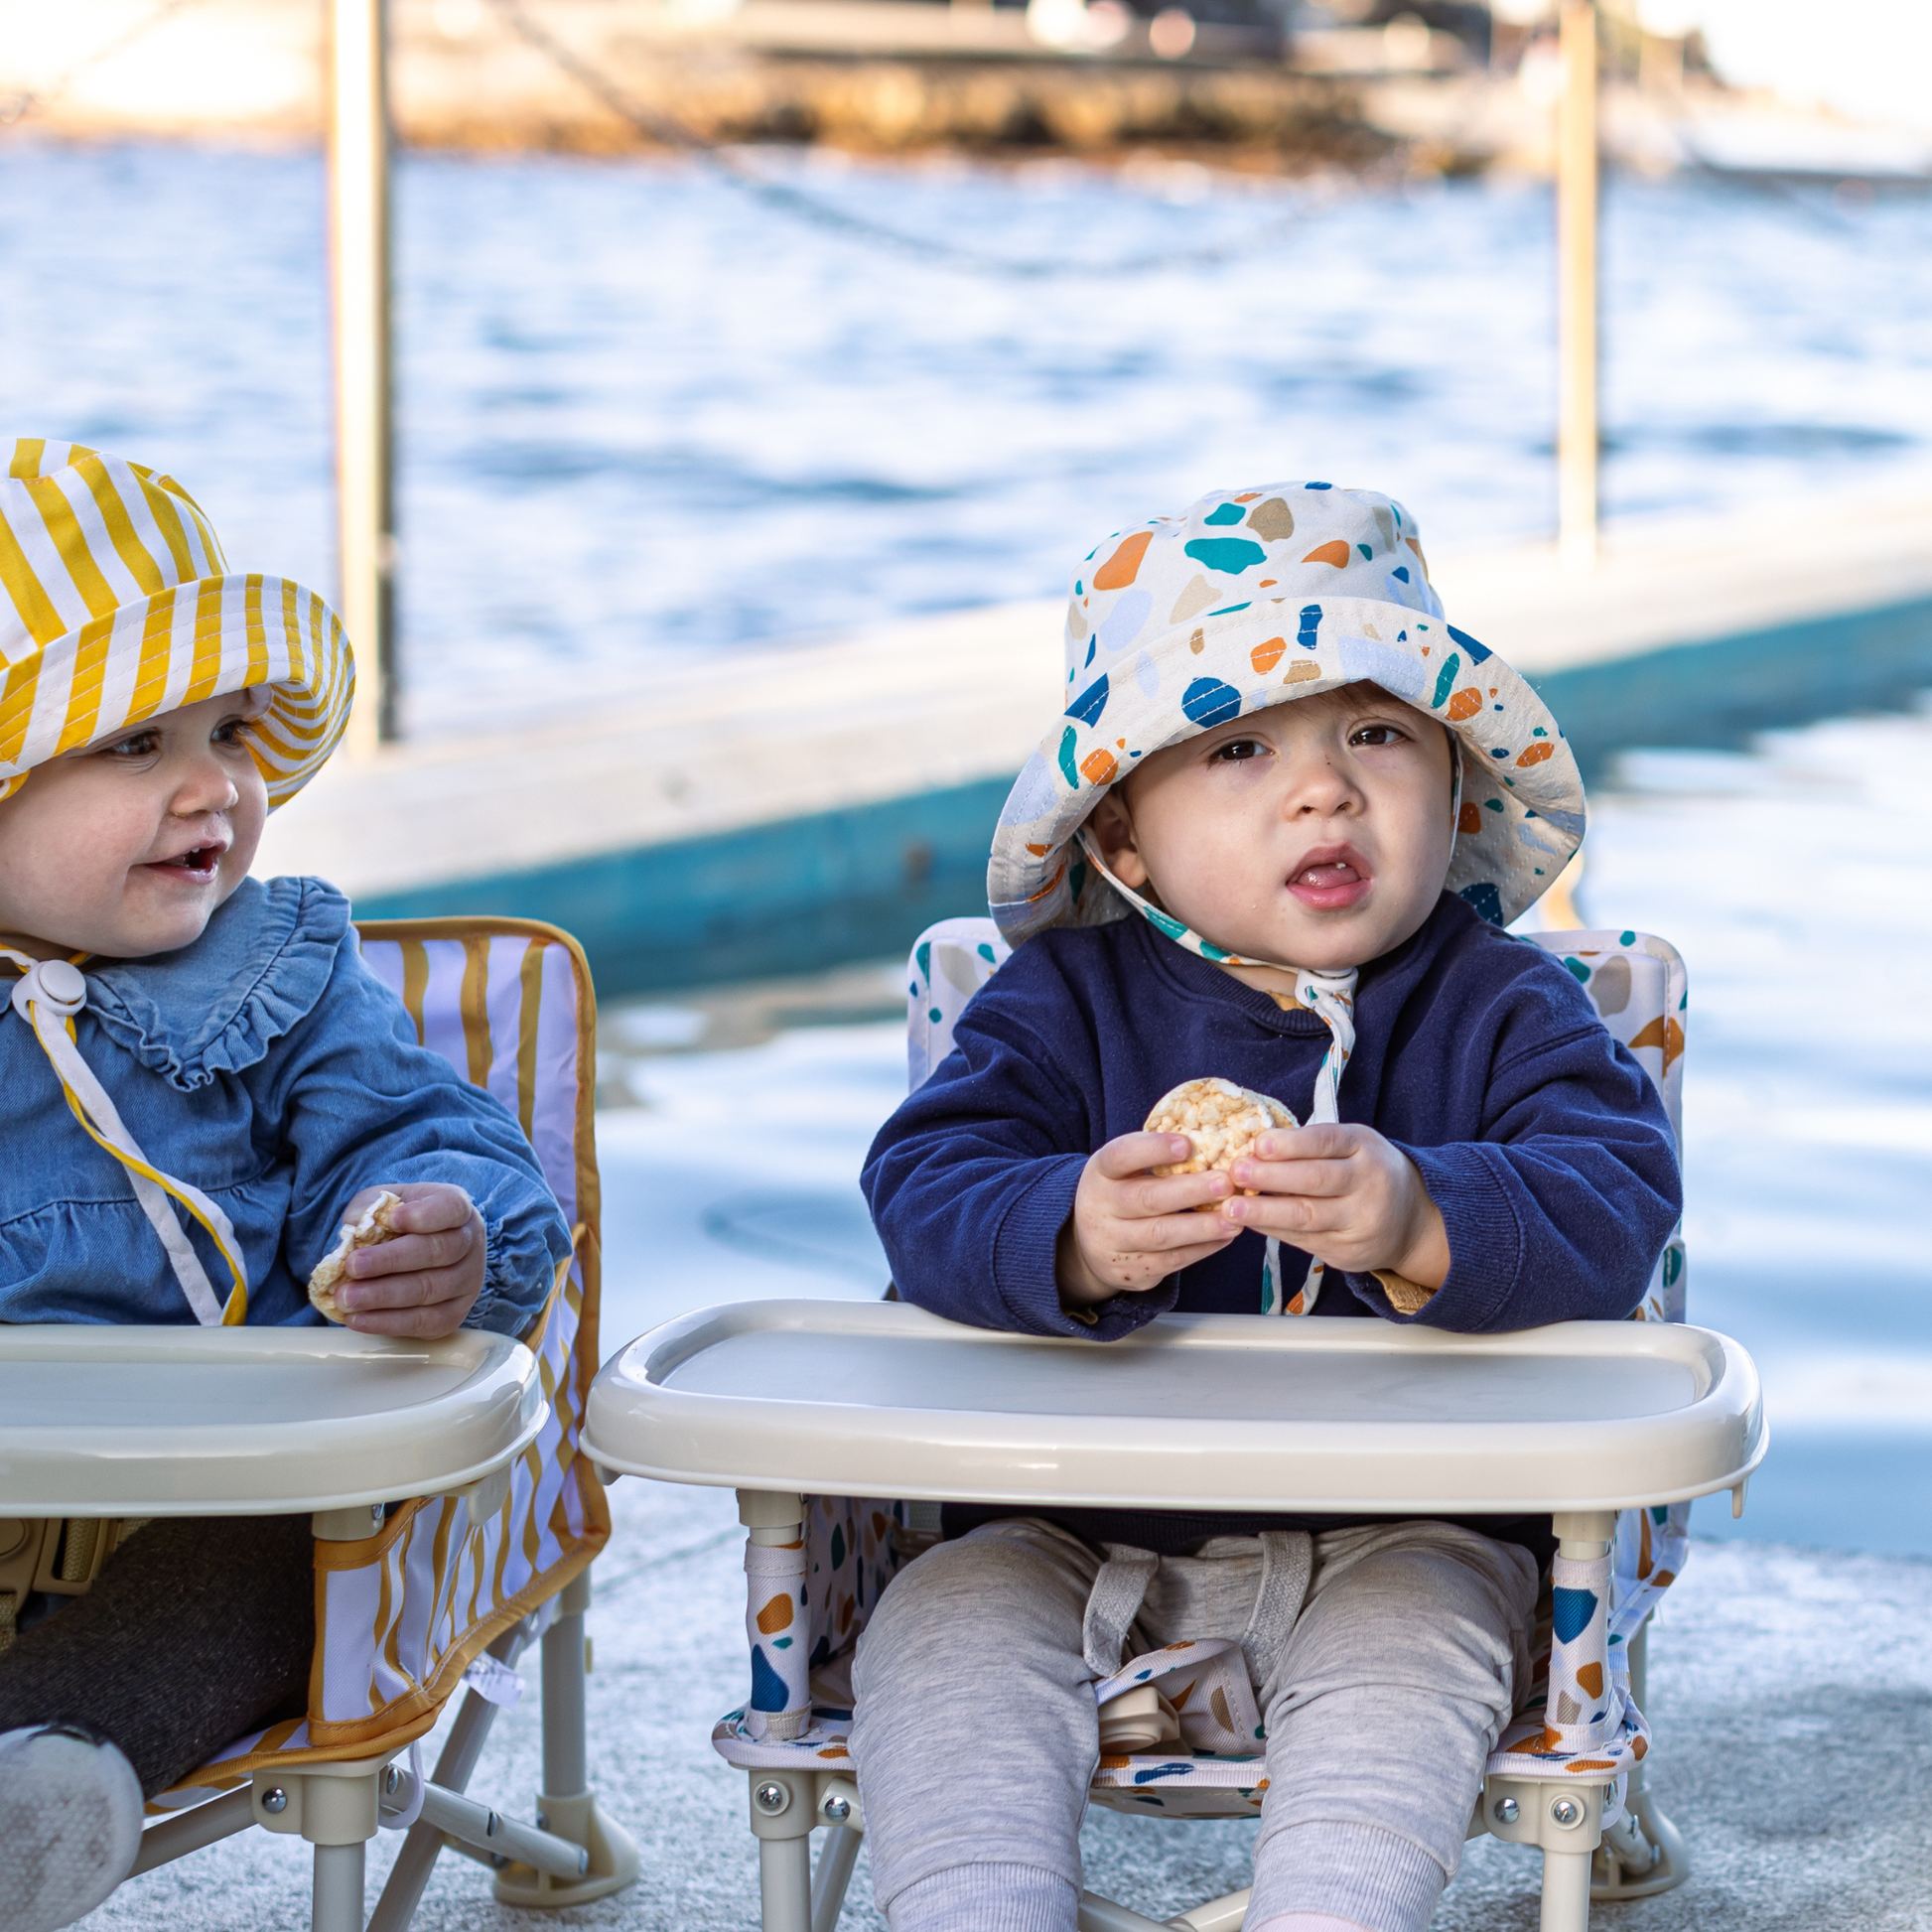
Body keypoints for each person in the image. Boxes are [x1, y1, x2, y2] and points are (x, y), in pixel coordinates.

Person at [856, 482, 1682, 1932]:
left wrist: (1421, 1215)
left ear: (1455, 785)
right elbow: (923, 1184)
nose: (1322, 789)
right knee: (938, 1623)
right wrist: (1064, 1228)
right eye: (1238, 748)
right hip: (1064, 1522)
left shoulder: (1504, 1004)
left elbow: (1616, 1201)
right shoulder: (1057, 1002)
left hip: (1407, 1529)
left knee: (1408, 1661)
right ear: (1123, 844)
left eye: (1375, 734)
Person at [0, 440, 573, 1932]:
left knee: (304, 1561)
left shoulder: (284, 977)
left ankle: (42, 1769)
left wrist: (439, 1233)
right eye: (134, 745)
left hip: (211, 1497)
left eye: (229, 732)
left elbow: (415, 1132)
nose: (214, 786)